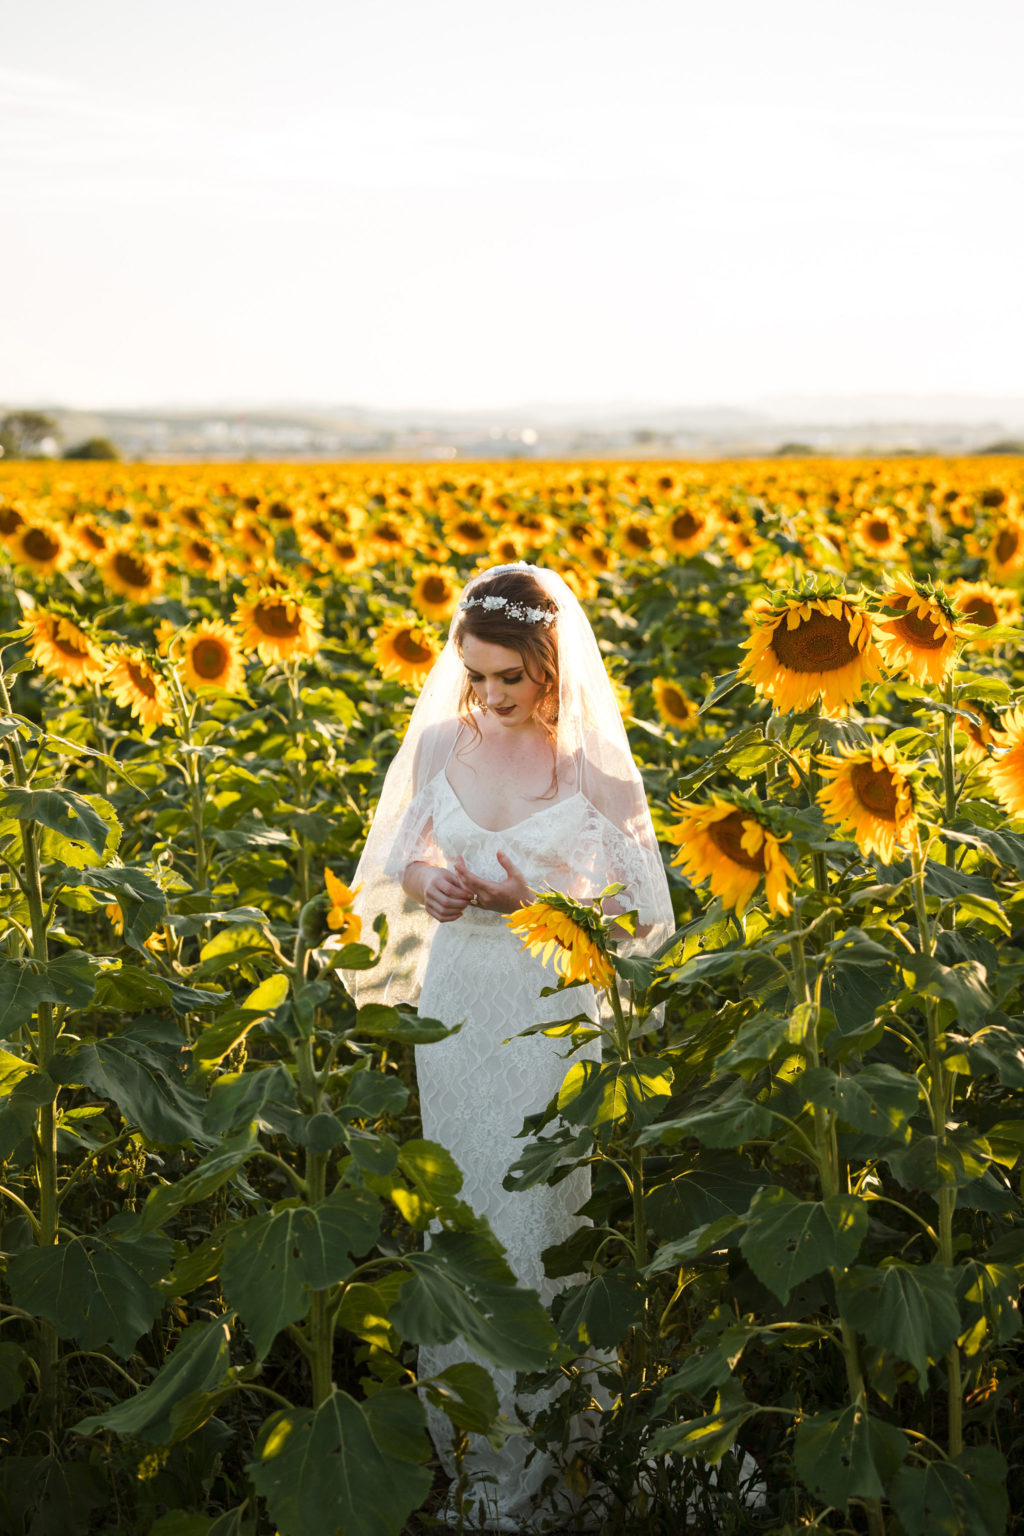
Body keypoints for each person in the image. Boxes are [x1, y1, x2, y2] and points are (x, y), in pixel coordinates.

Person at [343, 563, 674, 1529]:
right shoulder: (443, 740)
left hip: (548, 1001)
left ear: (550, 667)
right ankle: (473, 1422)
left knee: (542, 1201)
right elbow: (399, 853)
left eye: (509, 680)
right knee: (463, 1198)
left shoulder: (592, 771)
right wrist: (425, 882)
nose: (489, 697)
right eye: (475, 675)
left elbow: (642, 913)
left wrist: (531, 899)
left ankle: (560, 1424)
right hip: (454, 1003)